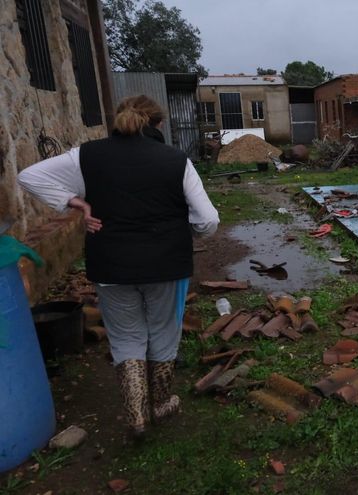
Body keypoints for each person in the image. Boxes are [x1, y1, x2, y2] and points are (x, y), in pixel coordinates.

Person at [18, 95, 219, 438]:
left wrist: (75, 202)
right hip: (166, 265)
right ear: (156, 124)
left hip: (111, 266)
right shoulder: (175, 160)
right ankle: (160, 403)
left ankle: (136, 417)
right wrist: (187, 230)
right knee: (162, 331)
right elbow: (208, 220)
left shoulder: (87, 155)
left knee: (126, 337)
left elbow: (29, 176)